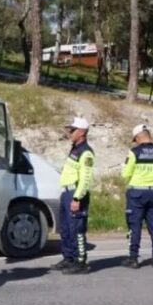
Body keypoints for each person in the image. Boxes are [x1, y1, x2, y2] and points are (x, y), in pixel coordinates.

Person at [121, 123, 153, 269]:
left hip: (137, 193)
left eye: (134, 139)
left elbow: (125, 174)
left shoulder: (134, 152)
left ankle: (133, 258)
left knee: (134, 225)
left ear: (137, 137)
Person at [53, 116, 95, 274]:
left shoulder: (86, 153)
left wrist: (77, 198)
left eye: (73, 130)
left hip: (75, 194)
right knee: (65, 229)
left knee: (77, 229)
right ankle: (68, 258)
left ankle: (81, 262)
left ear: (82, 132)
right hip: (66, 192)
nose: (69, 132)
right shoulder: (75, 148)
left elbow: (85, 179)